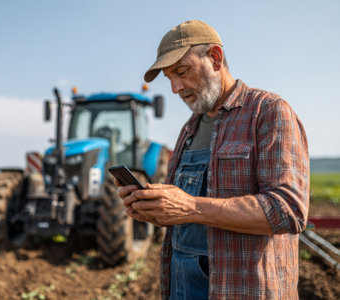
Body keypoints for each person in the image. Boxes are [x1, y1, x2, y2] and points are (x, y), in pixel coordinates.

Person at [117, 20, 310, 299]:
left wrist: (191, 207)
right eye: (169, 78)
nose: (175, 87)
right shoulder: (189, 129)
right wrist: (153, 210)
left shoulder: (267, 112)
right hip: (182, 288)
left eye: (182, 72)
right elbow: (184, 214)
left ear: (215, 58)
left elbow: (288, 210)